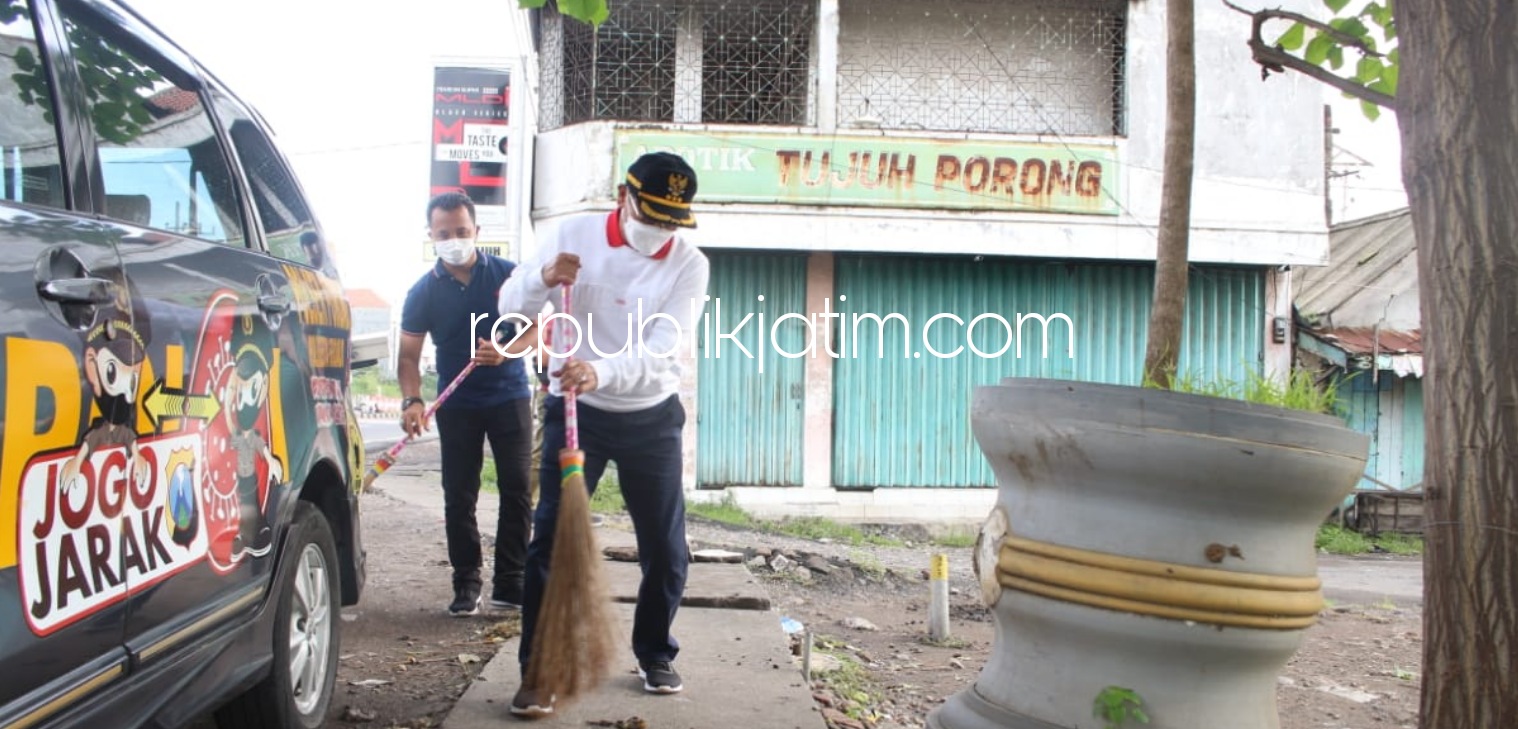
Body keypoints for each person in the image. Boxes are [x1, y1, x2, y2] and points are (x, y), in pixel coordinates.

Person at [497, 152, 710, 716]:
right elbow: (511, 307)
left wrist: (604, 369)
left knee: (665, 549)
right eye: (651, 214)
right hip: (577, 409)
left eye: (672, 220)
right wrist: (543, 279)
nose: (659, 230)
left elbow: (665, 343)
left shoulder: (690, 264)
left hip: (650, 414)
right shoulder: (572, 234)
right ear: (624, 194)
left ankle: (654, 650)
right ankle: (537, 671)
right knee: (549, 543)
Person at [398, 190, 538, 617]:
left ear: (477, 230)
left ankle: (511, 582)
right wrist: (412, 400)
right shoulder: (422, 293)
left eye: (462, 230)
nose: (454, 238)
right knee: (459, 494)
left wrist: (507, 352)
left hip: (510, 398)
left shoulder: (509, 276)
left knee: (516, 489)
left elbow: (538, 327)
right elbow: (407, 356)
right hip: (456, 404)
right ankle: (466, 582)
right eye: (445, 233)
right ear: (431, 235)